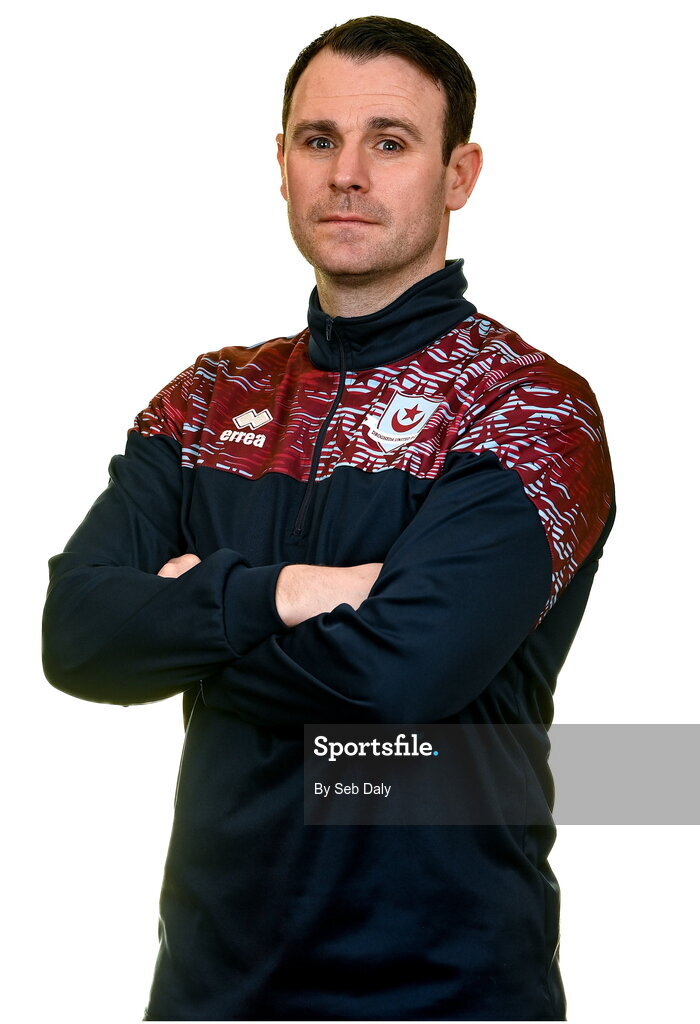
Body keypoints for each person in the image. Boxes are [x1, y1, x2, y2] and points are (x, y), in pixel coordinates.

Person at [42, 14, 615, 1022]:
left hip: (452, 993)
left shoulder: (529, 408)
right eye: (319, 140)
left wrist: (189, 608)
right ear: (281, 164)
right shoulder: (205, 402)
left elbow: (399, 677)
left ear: (458, 174)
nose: (348, 173)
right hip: (208, 993)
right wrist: (295, 591)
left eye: (389, 142)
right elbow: (78, 635)